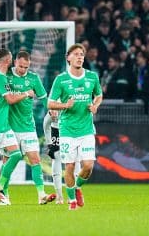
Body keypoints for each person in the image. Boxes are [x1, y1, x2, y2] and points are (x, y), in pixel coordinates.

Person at [0, 51, 56, 205]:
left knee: (33, 159)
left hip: (26, 126)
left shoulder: (33, 78)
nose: (22, 69)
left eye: (26, 67)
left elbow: (43, 98)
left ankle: (41, 194)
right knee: (1, 160)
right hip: (6, 125)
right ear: (13, 63)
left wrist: (51, 108)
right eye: (20, 66)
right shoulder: (5, 75)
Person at [48, 43, 103, 210]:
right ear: (68, 58)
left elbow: (99, 95)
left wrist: (95, 106)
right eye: (76, 54)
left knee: (88, 166)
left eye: (82, 54)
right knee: (70, 167)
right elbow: (49, 103)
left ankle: (78, 187)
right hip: (67, 130)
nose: (80, 57)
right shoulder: (61, 79)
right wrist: (65, 106)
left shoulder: (92, 77)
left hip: (86, 129)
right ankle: (72, 202)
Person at [0, 48, 35, 205]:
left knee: (16, 154)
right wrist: (26, 94)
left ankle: (0, 185)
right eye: (11, 58)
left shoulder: (1, 76)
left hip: (4, 125)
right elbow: (10, 99)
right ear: (7, 61)